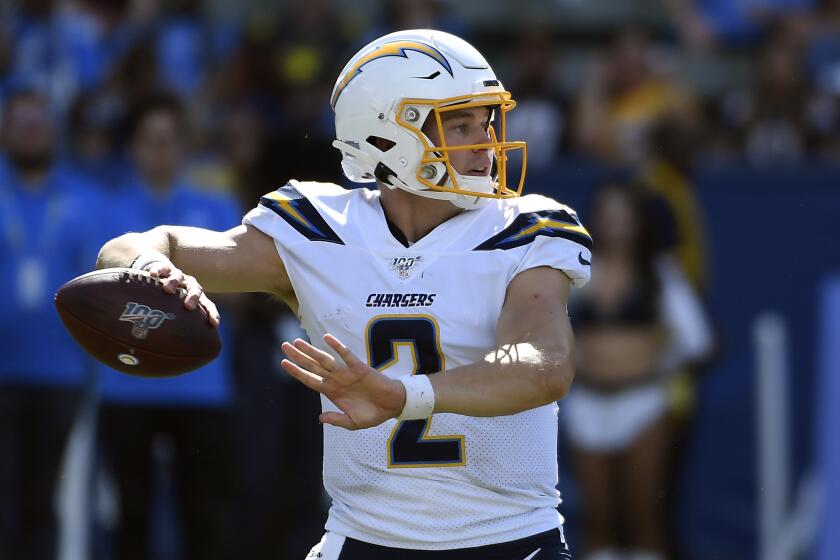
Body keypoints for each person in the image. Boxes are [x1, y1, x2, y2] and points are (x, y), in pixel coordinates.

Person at [95, 30, 592, 559]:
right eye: (460, 125)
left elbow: (544, 367)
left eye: (486, 122)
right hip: (363, 538)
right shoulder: (321, 228)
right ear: (386, 137)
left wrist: (402, 396)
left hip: (506, 538)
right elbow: (128, 249)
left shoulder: (524, 228)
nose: (485, 144)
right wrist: (151, 266)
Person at [94, 92, 241, 560]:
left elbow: (240, 291)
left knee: (204, 518)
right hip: (125, 387)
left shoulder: (218, 210)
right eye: (150, 140)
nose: (160, 149)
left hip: (201, 387)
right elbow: (94, 298)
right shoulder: (105, 211)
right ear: (134, 147)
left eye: (169, 139)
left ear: (183, 146)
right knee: (130, 520)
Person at [564, 182, 713, 560]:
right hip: (586, 404)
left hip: (643, 403)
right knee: (597, 517)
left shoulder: (659, 274)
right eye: (608, 218)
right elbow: (550, 329)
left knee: (643, 515)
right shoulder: (575, 271)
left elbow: (697, 340)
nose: (616, 228)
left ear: (639, 224)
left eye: (624, 218)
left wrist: (654, 366)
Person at [0, 89, 105, 560]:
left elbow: (100, 288)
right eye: (20, 124)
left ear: (53, 132)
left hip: (62, 375)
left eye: (37, 124)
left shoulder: (83, 199)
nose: (29, 132)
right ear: (5, 132)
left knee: (44, 499)